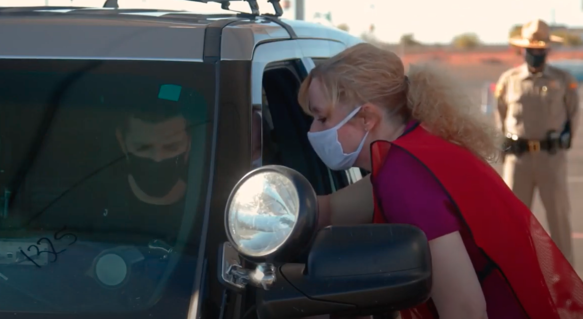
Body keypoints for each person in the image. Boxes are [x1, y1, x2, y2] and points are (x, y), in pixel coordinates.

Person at [299, 42, 583, 319]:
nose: (312, 130)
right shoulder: (414, 150)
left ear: (366, 118)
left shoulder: (405, 178)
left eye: (322, 118)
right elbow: (330, 211)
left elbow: (465, 309)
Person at [495, 19, 579, 264]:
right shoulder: (508, 80)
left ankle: (567, 286)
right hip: (517, 159)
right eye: (532, 49)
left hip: (550, 159)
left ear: (548, 50)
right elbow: (500, 115)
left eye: (541, 49)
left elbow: (573, 113)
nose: (536, 54)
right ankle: (515, 275)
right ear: (523, 50)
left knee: (559, 219)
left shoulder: (563, 80)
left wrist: (565, 139)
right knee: (512, 220)